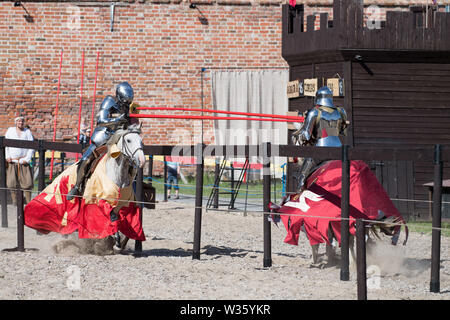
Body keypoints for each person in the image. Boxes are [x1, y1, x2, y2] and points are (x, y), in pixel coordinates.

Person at [66, 81, 135, 201]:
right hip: (104, 136)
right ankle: (77, 186)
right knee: (85, 159)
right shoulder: (109, 101)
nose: (126, 105)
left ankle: (130, 186)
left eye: (127, 102)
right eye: (124, 101)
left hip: (118, 138)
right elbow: (101, 120)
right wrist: (119, 119)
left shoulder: (127, 107)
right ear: (119, 96)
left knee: (132, 159)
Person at [291, 86, 348, 192]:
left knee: (303, 174)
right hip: (338, 150)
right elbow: (342, 130)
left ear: (318, 97)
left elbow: (306, 135)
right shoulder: (341, 112)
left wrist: (297, 135)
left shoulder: (315, 112)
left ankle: (300, 190)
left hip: (320, 151)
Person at [5, 116, 35, 205]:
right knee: (11, 183)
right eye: (18, 121)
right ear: (16, 122)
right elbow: (6, 145)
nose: (20, 123)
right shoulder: (10, 131)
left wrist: (27, 158)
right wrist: (7, 156)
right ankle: (15, 201)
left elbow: (32, 146)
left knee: (27, 183)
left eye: (22, 121)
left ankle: (29, 202)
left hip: (23, 161)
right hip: (12, 161)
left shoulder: (27, 132)